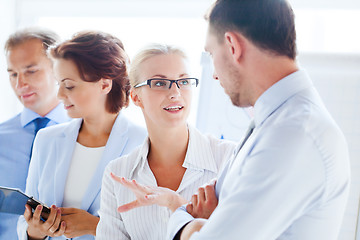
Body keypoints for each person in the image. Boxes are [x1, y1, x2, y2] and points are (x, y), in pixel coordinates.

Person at [166, 0, 351, 239]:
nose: (213, 73)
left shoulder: (294, 134)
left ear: (232, 46)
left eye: (212, 53)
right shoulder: (274, 121)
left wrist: (184, 225)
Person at [95, 44, 236, 240]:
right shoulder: (119, 173)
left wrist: (180, 208)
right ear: (136, 97)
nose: (175, 93)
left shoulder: (230, 158)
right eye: (159, 83)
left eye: (184, 81)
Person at [17, 31, 147, 240]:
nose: (59, 95)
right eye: (58, 84)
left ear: (105, 84)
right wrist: (35, 231)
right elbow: (25, 222)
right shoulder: (47, 140)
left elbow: (155, 230)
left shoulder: (143, 144)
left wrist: (96, 226)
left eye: (69, 85)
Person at [0, 28, 70, 239]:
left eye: (31, 71)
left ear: (58, 69)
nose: (20, 84)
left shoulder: (88, 135)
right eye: (13, 74)